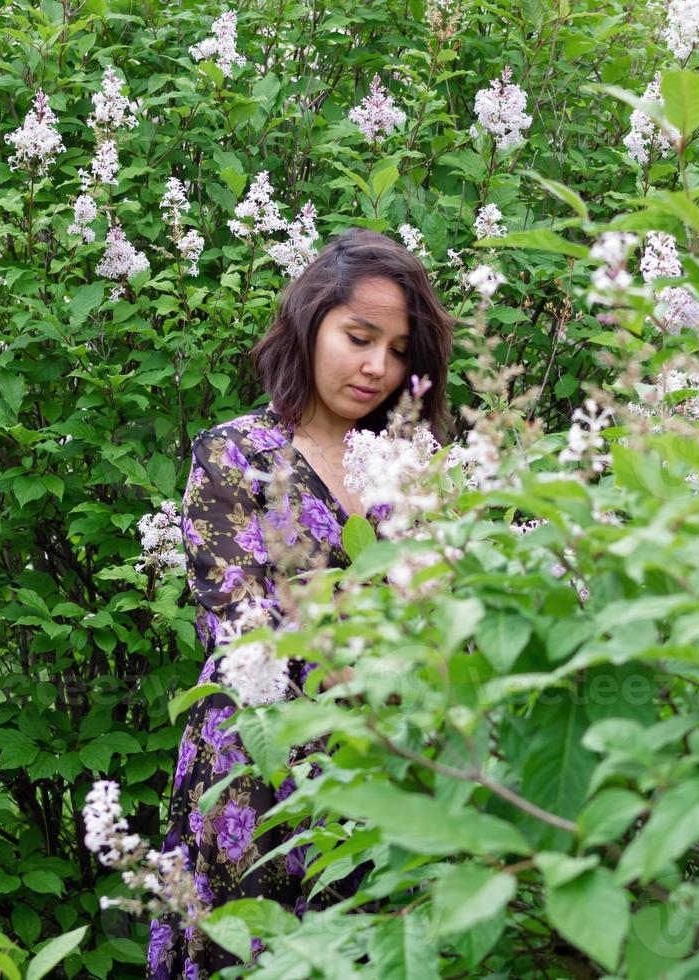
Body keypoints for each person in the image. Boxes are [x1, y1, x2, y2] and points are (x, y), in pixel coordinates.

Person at [148, 228, 454, 978]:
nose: (378, 366)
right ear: (311, 322)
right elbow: (249, 625)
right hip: (261, 779)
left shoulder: (420, 467)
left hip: (393, 778)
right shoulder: (234, 456)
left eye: (400, 350)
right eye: (359, 337)